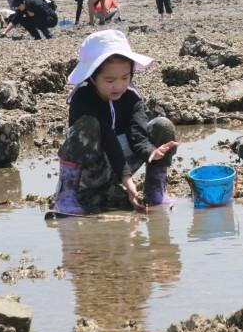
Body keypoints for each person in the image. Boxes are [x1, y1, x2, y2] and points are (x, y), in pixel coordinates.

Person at [51, 30, 179, 215]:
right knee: (89, 125)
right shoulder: (82, 99)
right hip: (92, 169)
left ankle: (155, 192)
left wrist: (152, 152)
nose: (118, 86)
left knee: (162, 125)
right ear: (92, 76)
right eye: (109, 80)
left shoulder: (131, 98)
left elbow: (137, 133)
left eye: (125, 78)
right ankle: (66, 196)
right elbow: (108, 138)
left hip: (121, 164)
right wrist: (126, 178)